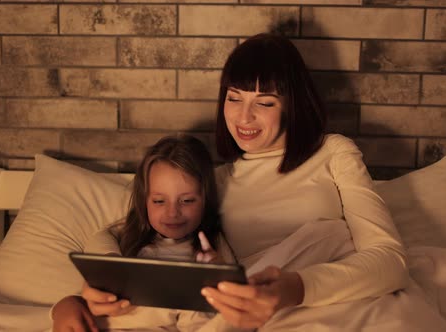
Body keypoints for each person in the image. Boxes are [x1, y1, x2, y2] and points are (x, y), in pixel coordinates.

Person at [53, 33, 410, 331]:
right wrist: (81, 293)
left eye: (264, 102)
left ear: (293, 106)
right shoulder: (215, 181)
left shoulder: (333, 153)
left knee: (329, 235)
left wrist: (296, 288)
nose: (243, 117)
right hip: (243, 316)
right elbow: (120, 230)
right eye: (234, 98)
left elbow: (389, 260)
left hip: (329, 300)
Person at [51, 134, 237, 332]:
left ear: (205, 200)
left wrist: (216, 271)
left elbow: (234, 292)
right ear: (145, 201)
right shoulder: (133, 233)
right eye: (159, 201)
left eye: (187, 201)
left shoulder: (211, 241)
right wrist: (111, 260)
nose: (172, 213)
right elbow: (102, 237)